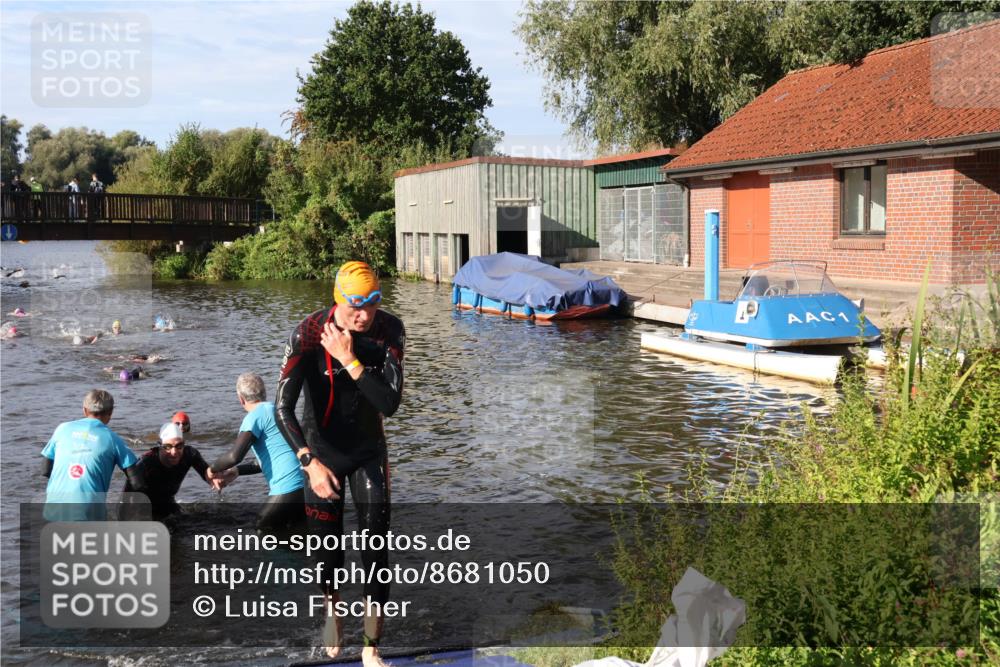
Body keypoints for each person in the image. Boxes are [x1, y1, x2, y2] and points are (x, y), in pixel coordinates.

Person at [275, 260, 404, 664]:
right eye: (355, 306)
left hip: (368, 453)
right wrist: (309, 461)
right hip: (322, 455)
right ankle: (333, 611)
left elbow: (390, 402)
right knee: (327, 555)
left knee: (375, 551)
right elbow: (283, 408)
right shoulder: (308, 333)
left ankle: (371, 648)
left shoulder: (389, 331)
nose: (364, 315)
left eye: (372, 304)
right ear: (338, 300)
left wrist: (349, 358)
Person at [210, 373, 305, 534]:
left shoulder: (254, 417)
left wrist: (211, 469)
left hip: (287, 489)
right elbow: (270, 458)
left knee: (262, 529)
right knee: (294, 536)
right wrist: (237, 472)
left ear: (241, 398)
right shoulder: (280, 411)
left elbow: (234, 456)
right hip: (307, 487)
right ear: (264, 392)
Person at [41, 389, 144, 520]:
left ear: (84, 410)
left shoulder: (62, 429)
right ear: (110, 413)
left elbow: (45, 470)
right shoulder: (113, 440)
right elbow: (137, 482)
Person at [122, 422, 232, 521]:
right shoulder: (145, 463)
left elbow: (207, 473)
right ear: (160, 445)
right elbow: (125, 499)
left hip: (169, 506)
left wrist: (216, 479)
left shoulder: (190, 454)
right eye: (168, 447)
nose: (174, 452)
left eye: (179, 446)